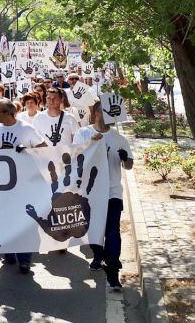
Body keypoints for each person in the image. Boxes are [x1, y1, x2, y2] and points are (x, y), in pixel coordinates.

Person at [74, 101, 134, 292]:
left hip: (112, 192)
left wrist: (126, 159)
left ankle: (113, 271)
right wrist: (90, 143)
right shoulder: (83, 133)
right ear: (98, 113)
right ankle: (98, 254)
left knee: (112, 232)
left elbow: (129, 166)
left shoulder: (120, 139)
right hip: (89, 193)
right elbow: (73, 156)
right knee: (93, 232)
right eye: (107, 112)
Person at [0, 99, 46, 273]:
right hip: (0, 182)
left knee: (25, 220)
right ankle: (8, 253)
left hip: (23, 184)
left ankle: (25, 258)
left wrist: (27, 151)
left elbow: (45, 149)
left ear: (8, 113)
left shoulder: (26, 129)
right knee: (2, 218)